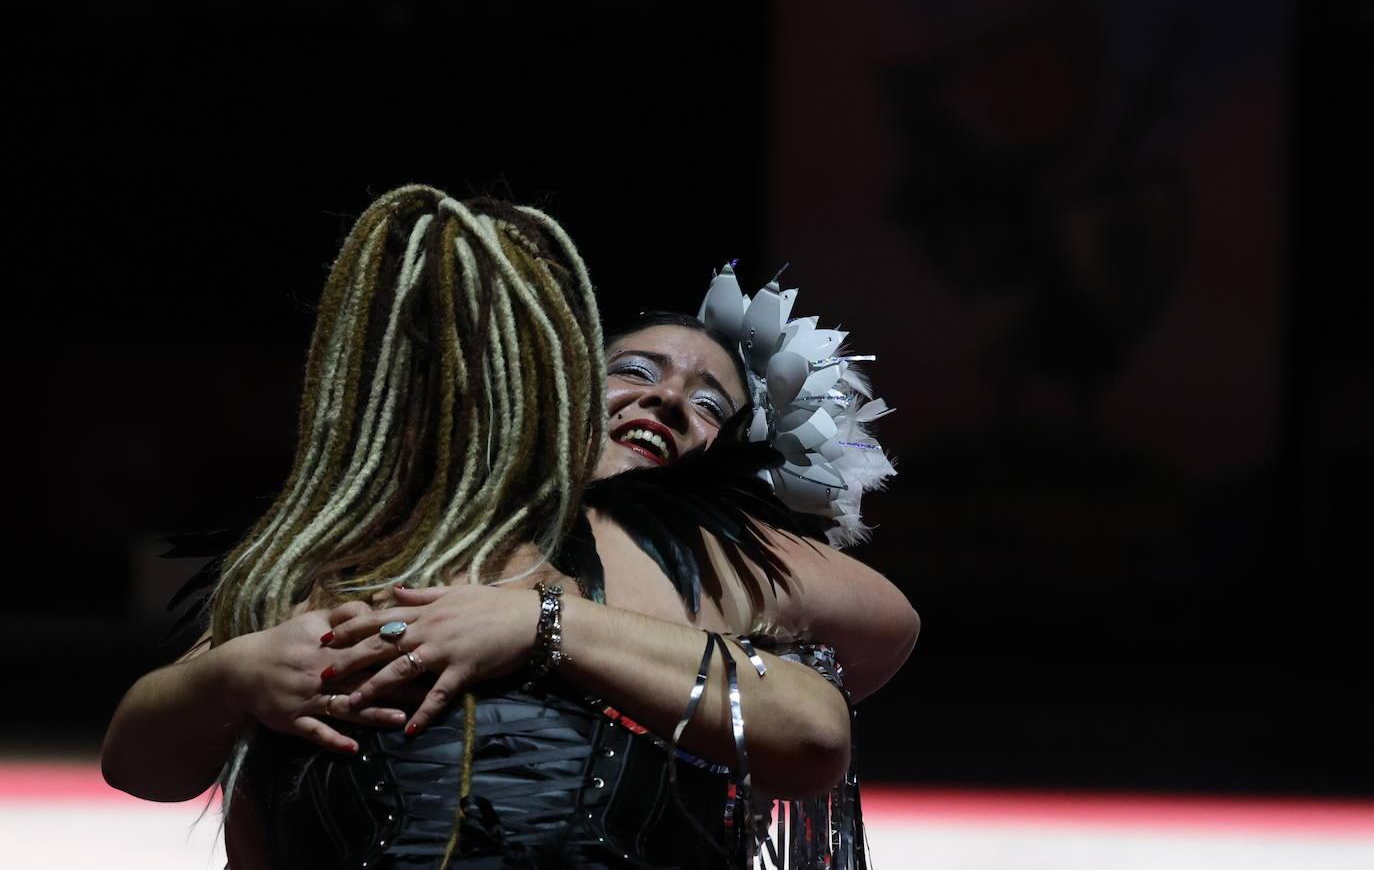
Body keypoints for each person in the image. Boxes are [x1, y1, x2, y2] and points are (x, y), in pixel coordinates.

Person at [101, 186, 919, 868]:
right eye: (635, 370)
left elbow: (831, 710)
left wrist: (547, 624)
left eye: (711, 405)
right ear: (550, 383)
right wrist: (237, 674)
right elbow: (135, 758)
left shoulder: (705, 556)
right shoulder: (352, 548)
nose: (670, 399)